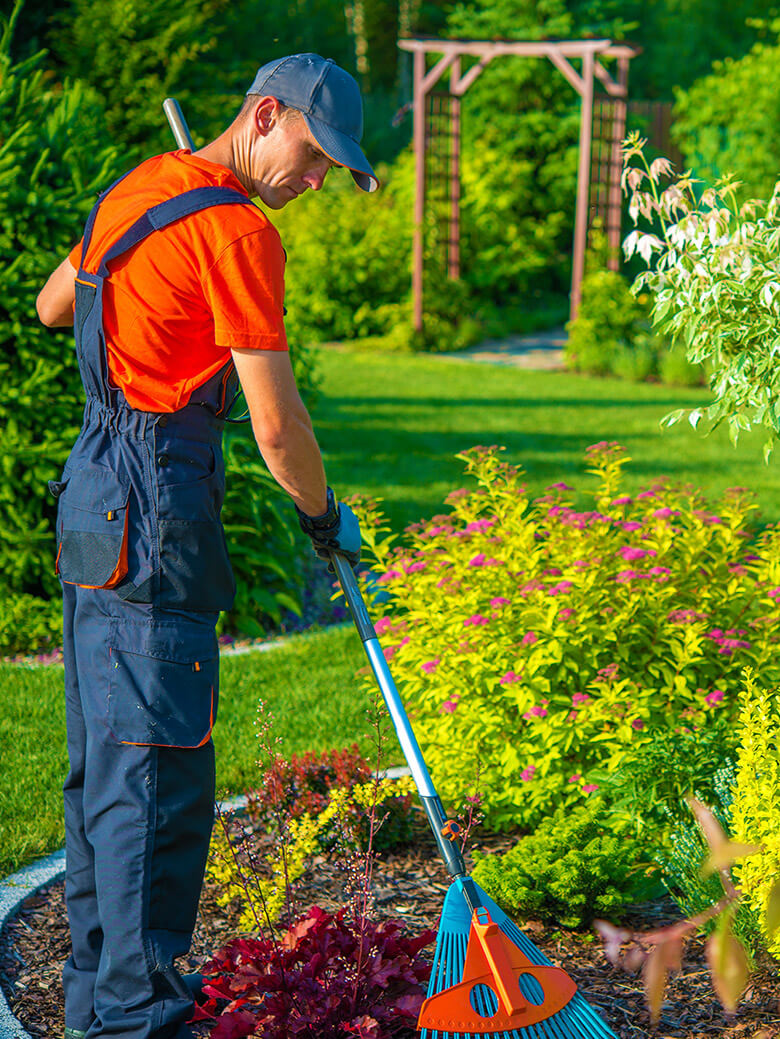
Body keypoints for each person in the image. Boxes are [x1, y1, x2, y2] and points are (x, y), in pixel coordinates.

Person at [35, 53, 373, 1039]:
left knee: (108, 761)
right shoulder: (234, 230)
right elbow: (276, 426)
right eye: (311, 157)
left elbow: (57, 306)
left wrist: (162, 247)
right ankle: (139, 1020)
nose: (313, 185)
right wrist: (321, 516)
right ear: (263, 115)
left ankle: (103, 1004)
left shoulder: (144, 187)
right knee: (156, 778)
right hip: (157, 503)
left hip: (95, 491)